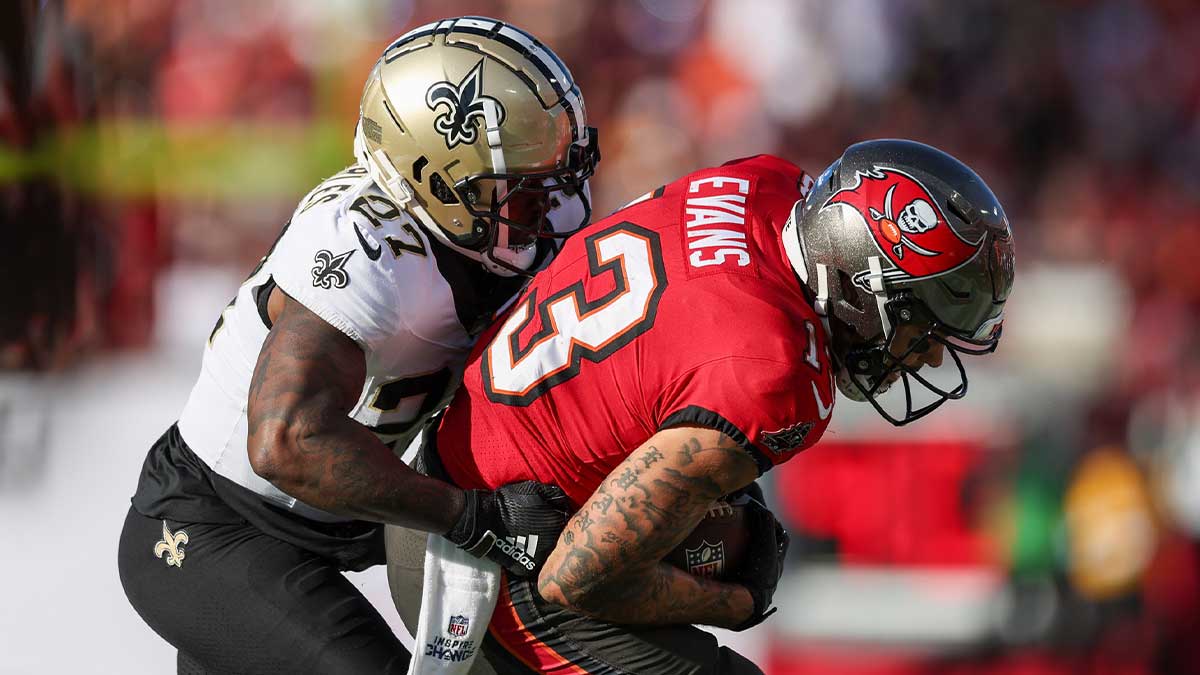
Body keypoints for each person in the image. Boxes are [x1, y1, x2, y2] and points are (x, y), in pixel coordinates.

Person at [387, 139, 1016, 674]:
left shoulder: (765, 184)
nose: (929, 359)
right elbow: (576, 578)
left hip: (462, 454)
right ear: (861, 284)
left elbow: (670, 361)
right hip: (485, 555)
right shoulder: (774, 376)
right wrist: (737, 602)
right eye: (921, 327)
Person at [117, 16, 600, 674]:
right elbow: (287, 442)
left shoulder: (490, 236)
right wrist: (470, 513)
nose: (549, 207)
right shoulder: (363, 244)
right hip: (218, 523)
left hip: (359, 518)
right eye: (521, 187)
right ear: (435, 177)